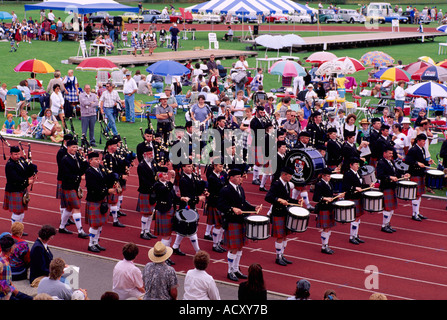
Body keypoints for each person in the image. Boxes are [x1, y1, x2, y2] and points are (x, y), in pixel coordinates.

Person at [217, 169, 261, 281]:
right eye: (237, 177)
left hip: (241, 220)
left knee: (240, 247)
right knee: (233, 248)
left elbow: (243, 203)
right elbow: (220, 205)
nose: (240, 178)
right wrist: (232, 209)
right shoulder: (225, 190)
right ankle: (229, 271)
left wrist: (253, 208)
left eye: (240, 176)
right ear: (230, 178)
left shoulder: (240, 188)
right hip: (232, 221)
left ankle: (236, 269)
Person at [152, 166, 190, 266]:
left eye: (166, 174)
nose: (166, 176)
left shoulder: (167, 184)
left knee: (168, 236)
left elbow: (173, 196)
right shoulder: (157, 185)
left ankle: (165, 256)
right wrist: (173, 177)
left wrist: (182, 198)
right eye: (163, 174)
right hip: (164, 211)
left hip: (170, 210)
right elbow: (166, 190)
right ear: (159, 175)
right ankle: (162, 255)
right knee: (166, 236)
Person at [265, 167, 298, 265]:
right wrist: (279, 200)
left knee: (285, 236)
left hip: (285, 213)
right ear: (284, 175)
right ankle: (278, 257)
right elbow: (268, 197)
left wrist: (297, 201)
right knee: (280, 236)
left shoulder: (287, 184)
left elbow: (287, 199)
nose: (291, 178)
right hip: (278, 213)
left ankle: (282, 255)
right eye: (289, 176)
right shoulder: (276, 184)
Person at [84, 151, 117, 252]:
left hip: (101, 199)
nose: (98, 161)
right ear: (90, 161)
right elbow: (93, 187)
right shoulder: (89, 172)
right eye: (96, 159)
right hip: (94, 199)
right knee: (94, 225)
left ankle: (96, 242)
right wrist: (107, 191)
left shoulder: (100, 169)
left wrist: (114, 178)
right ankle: (90, 244)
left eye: (98, 159)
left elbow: (106, 180)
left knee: (99, 224)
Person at [57, 139, 89, 238]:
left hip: (74, 186)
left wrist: (86, 161)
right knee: (76, 207)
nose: (75, 149)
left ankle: (62, 227)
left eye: (76, 147)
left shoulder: (77, 157)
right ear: (68, 148)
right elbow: (66, 175)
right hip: (68, 186)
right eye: (73, 147)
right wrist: (80, 177)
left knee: (69, 208)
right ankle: (80, 231)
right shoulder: (65, 159)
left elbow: (82, 168)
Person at [3, 145, 37, 231]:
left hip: (22, 189)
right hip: (15, 189)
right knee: (17, 212)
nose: (17, 156)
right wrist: (27, 181)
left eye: (18, 154)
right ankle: (15, 231)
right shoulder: (10, 165)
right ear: (10, 154)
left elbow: (26, 171)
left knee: (21, 211)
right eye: (15, 154)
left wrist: (33, 170)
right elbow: (14, 178)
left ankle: (19, 229)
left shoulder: (21, 160)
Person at [377, 146, 410, 233]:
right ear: (384, 153)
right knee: (387, 208)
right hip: (386, 187)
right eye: (389, 153)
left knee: (391, 208)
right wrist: (390, 177)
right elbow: (379, 175)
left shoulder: (391, 161)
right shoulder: (381, 162)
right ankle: (384, 226)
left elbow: (396, 173)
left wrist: (403, 176)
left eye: (392, 153)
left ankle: (387, 224)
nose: (391, 155)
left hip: (391, 186)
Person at [342, 157, 374, 245]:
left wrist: (368, 185)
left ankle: (356, 235)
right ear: (351, 165)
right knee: (354, 218)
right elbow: (345, 187)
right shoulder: (348, 174)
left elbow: (361, 184)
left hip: (358, 197)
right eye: (356, 164)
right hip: (352, 197)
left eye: (358, 164)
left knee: (358, 217)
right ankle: (351, 237)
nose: (357, 166)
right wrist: (354, 188)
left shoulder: (358, 173)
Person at [313, 167, 343, 254]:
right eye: (328, 176)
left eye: (330, 176)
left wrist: (337, 196)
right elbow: (315, 198)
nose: (329, 177)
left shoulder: (329, 183)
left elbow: (330, 195)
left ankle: (326, 245)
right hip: (323, 208)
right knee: (326, 228)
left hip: (329, 207)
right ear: (323, 176)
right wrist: (324, 198)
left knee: (328, 228)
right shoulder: (319, 184)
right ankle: (324, 246)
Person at [404, 134, 434, 221]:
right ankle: (414, 214)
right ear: (418, 141)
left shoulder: (422, 149)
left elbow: (422, 161)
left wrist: (428, 162)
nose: (424, 143)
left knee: (419, 195)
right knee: (416, 195)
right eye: (423, 141)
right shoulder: (413, 149)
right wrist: (417, 163)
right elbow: (407, 160)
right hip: (415, 173)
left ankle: (417, 212)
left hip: (420, 173)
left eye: (425, 141)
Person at [0, 233, 33, 300]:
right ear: (11, 249)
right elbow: (5, 289)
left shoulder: (2, 257)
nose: (15, 246)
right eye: (14, 245)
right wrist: (16, 292)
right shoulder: (5, 265)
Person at [136, 145, 158, 240]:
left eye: (151, 153)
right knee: (146, 213)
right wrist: (154, 185)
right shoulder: (141, 166)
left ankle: (148, 231)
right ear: (144, 154)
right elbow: (144, 180)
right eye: (149, 154)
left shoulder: (153, 163)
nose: (151, 155)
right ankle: (142, 232)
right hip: (146, 191)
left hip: (153, 191)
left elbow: (158, 172)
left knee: (150, 213)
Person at [204, 162, 227, 253]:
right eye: (220, 166)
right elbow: (221, 187)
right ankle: (215, 245)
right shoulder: (212, 177)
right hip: (215, 203)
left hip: (221, 202)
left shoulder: (222, 174)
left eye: (222, 166)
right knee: (218, 225)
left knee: (221, 225)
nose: (221, 168)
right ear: (215, 166)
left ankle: (218, 242)